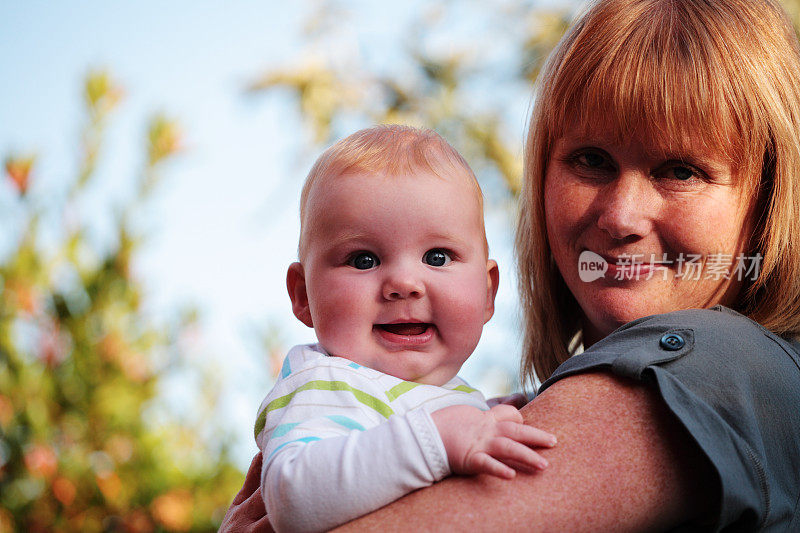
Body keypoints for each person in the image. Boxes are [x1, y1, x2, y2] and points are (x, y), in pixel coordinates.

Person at [222, 0, 800, 530]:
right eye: (591, 161)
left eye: (680, 171)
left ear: (770, 199)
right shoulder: (353, 388)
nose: (621, 216)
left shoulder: (729, 366)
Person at [254, 125, 555, 532]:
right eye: (363, 260)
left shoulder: (454, 400)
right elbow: (292, 497)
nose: (404, 284)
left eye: (437, 256)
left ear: (487, 292)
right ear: (304, 294)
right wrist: (435, 440)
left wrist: (505, 412)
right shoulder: (326, 382)